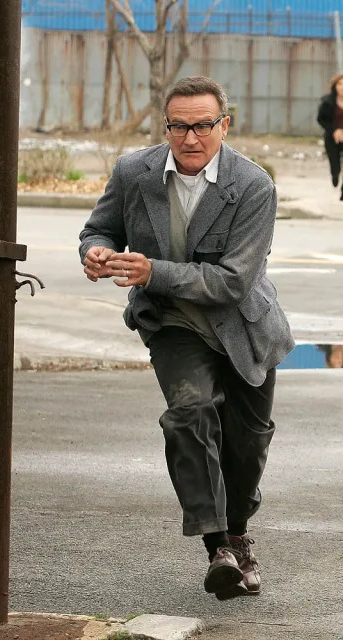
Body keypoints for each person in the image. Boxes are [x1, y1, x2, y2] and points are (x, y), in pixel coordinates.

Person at [78, 75, 295, 602]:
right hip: (173, 323)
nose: (190, 137)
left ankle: (238, 534)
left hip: (243, 326)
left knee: (247, 444)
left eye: (203, 125)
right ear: (167, 126)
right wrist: (96, 252)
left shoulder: (253, 185)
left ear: (225, 124)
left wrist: (153, 271)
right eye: (179, 126)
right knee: (190, 411)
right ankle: (219, 547)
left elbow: (233, 282)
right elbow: (98, 227)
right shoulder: (136, 172)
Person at [317, 74, 343, 202]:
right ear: (335, 87)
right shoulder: (328, 101)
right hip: (332, 137)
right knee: (335, 164)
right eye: (340, 84)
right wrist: (334, 130)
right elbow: (321, 119)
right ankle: (335, 175)